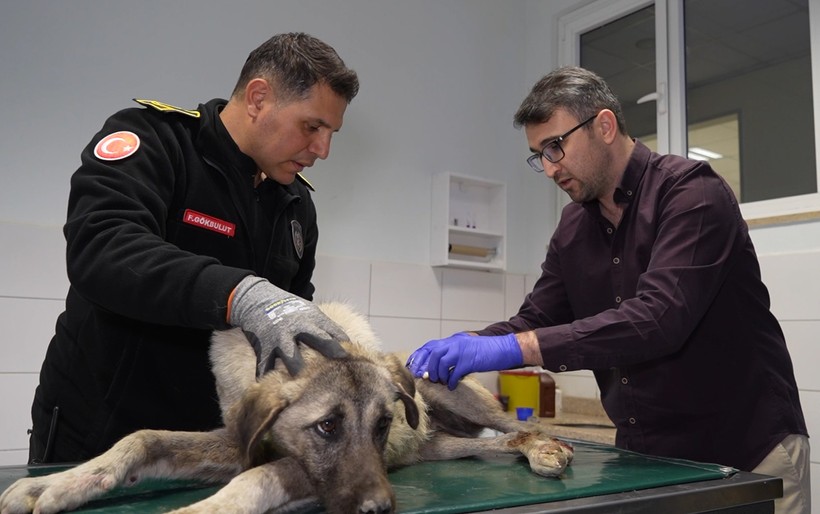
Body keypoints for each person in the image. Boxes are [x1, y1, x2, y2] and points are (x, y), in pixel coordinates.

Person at [407, 66, 810, 513]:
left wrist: (513, 349)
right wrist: (475, 342)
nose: (548, 168)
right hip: (650, 457)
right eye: (538, 154)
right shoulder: (573, 227)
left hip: (746, 451)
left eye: (556, 146)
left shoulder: (692, 194)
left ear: (604, 125)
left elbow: (658, 320)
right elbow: (538, 319)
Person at [29, 32, 359, 464]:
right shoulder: (156, 143)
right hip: (100, 432)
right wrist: (242, 295)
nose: (323, 149)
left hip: (210, 447)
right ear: (258, 98)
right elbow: (104, 248)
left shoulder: (296, 206)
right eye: (312, 126)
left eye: (331, 132)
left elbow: (288, 327)